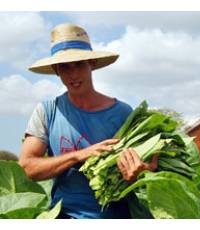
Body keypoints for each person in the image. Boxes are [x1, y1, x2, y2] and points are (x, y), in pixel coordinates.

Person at [19, 23, 158, 219]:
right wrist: (80, 155)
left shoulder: (123, 114)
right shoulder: (47, 112)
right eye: (65, 67)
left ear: (91, 64)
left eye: (79, 64)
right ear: (56, 69)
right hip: (65, 215)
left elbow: (149, 169)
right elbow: (28, 167)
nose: (73, 74)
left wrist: (139, 173)